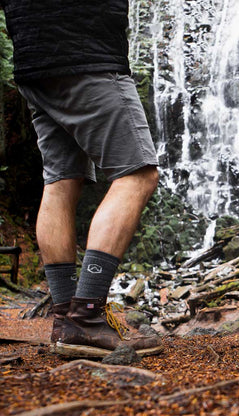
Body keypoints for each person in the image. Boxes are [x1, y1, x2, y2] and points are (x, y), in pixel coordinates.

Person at [0, 0, 163, 357]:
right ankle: (87, 316)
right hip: (86, 54)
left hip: (33, 61)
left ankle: (65, 319)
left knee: (61, 181)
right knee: (138, 175)